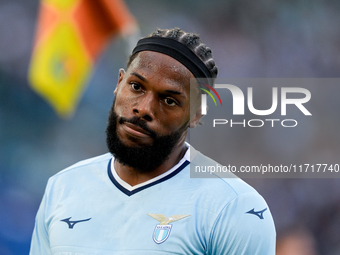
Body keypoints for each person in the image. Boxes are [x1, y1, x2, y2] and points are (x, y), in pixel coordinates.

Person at [30, 28, 276, 254]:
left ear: (197, 114)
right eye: (136, 86)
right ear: (119, 83)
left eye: (169, 100)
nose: (144, 109)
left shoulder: (234, 207)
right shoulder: (63, 187)